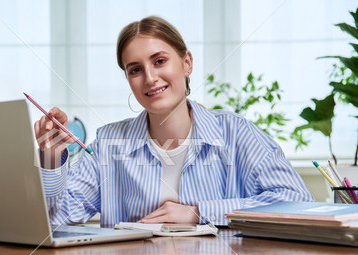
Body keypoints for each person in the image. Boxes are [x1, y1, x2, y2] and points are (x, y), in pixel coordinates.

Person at [34, 16, 314, 227]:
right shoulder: (109, 144)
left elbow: (297, 202)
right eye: (135, 70)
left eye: (159, 61)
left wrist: (198, 213)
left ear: (186, 63)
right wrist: (51, 158)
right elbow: (57, 219)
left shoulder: (235, 132)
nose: (150, 77)